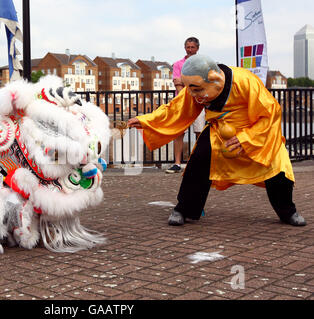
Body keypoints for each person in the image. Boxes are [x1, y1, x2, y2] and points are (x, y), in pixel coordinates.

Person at [127, 54, 307, 227]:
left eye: (196, 89)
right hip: (220, 131)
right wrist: (146, 120)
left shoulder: (246, 81)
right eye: (189, 89)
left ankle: (288, 211)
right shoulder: (195, 88)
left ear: (215, 78)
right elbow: (175, 109)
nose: (192, 94)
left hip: (256, 132)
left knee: (277, 163)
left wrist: (247, 137)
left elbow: (270, 113)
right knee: (198, 159)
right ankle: (184, 209)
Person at [166, 37, 206, 174]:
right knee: (179, 133)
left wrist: (184, 81)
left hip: (199, 103)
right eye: (188, 47)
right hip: (182, 104)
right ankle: (177, 163)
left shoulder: (203, 64)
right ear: (185, 48)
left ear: (197, 48)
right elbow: (178, 85)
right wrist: (188, 85)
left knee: (199, 133)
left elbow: (203, 83)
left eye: (192, 47)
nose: (190, 50)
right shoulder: (177, 64)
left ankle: (198, 163)